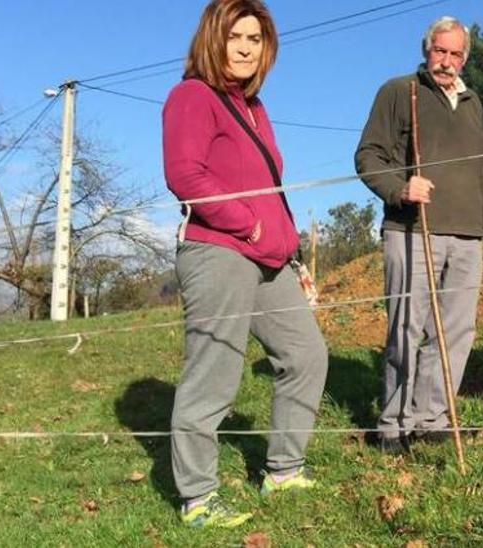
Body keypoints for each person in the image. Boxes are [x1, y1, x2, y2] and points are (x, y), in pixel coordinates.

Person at [163, 0, 328, 528]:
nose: (244, 47)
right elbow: (185, 175)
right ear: (213, 38)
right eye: (235, 36)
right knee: (215, 372)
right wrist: (247, 224)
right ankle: (197, 498)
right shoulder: (192, 96)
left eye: (255, 39)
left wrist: (292, 252)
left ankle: (282, 469)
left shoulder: (255, 109)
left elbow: (270, 191)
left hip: (270, 258)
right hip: (218, 249)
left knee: (306, 354)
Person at [355, 16, 483, 454]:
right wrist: (399, 187)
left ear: (465, 58)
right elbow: (368, 155)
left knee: (458, 331)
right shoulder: (399, 91)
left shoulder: (473, 102)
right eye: (440, 51)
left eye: (455, 54)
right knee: (407, 327)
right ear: (427, 50)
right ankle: (393, 423)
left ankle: (432, 417)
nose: (447, 61)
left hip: (466, 236)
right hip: (411, 229)